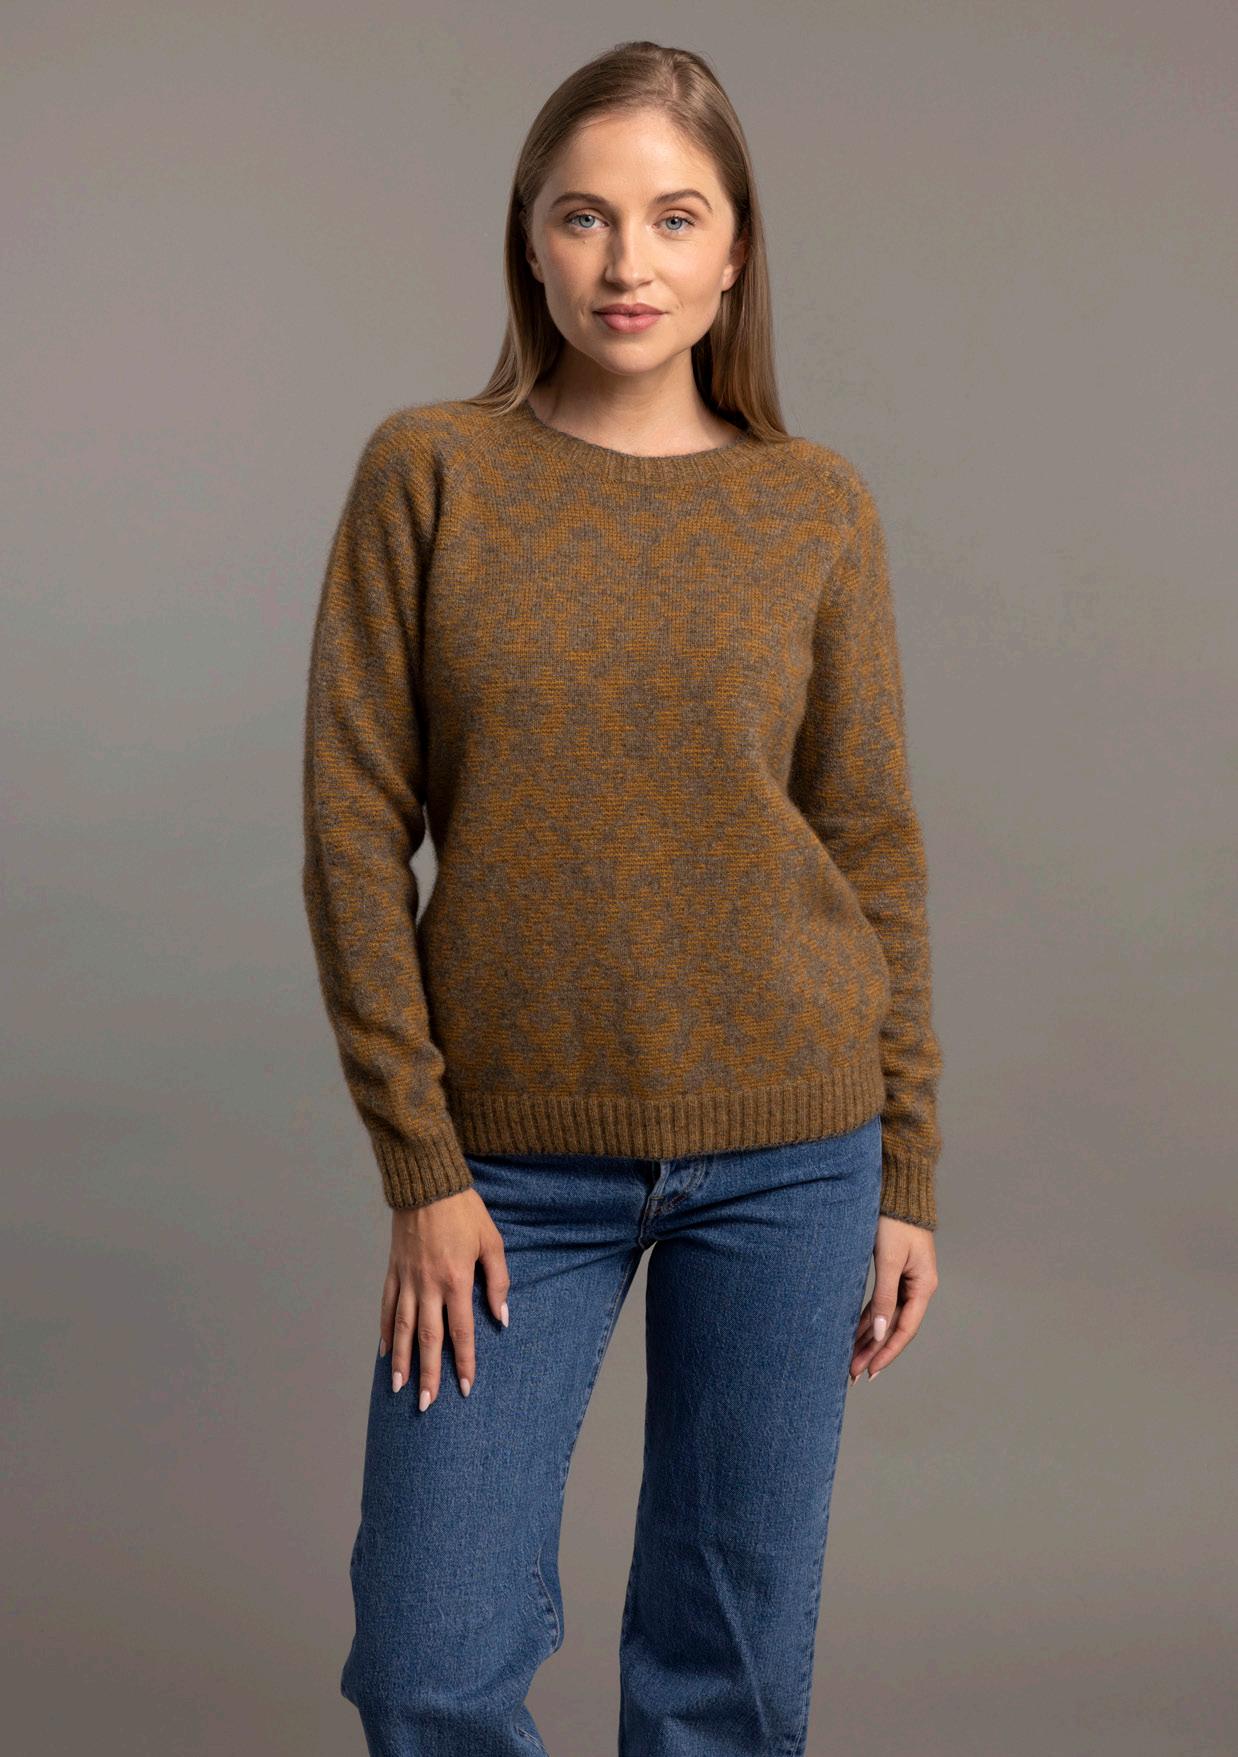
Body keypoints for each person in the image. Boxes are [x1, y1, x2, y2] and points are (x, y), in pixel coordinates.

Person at [301, 38, 943, 1757]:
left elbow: (867, 840)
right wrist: (422, 1164)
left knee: (725, 1681)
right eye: (583, 216)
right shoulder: (429, 472)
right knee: (428, 1661)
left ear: (735, 251)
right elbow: (353, 832)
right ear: (528, 241)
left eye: (674, 216)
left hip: (793, 1147)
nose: (626, 260)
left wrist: (904, 1165)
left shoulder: (810, 506)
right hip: (506, 1165)